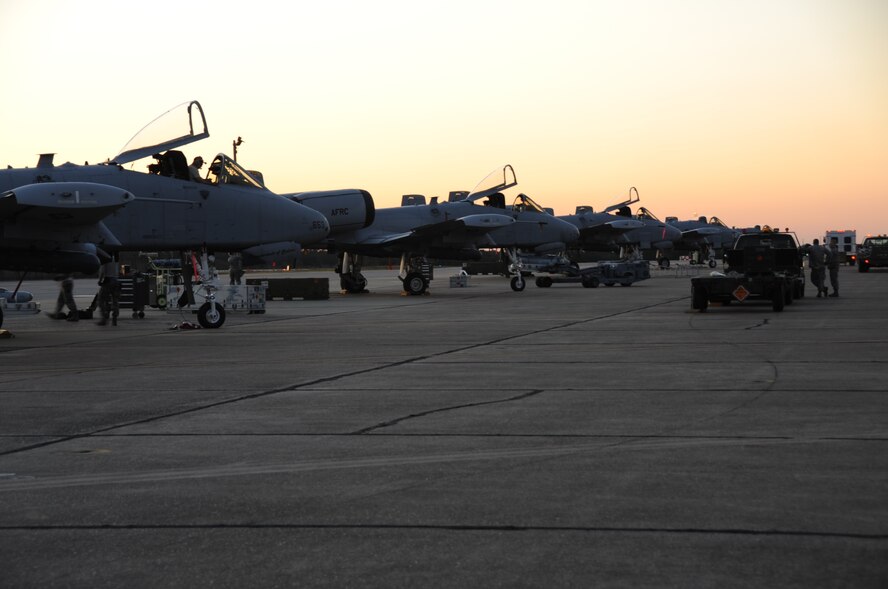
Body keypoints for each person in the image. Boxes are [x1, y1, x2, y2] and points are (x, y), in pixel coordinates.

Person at [97, 258, 120, 326]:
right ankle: (114, 318)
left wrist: (100, 280)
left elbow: (102, 271)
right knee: (115, 301)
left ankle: (104, 318)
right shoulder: (114, 260)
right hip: (116, 281)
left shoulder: (104, 260)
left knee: (100, 300)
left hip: (108, 281)